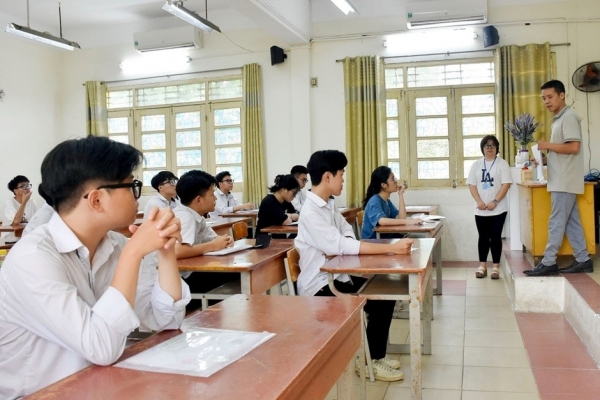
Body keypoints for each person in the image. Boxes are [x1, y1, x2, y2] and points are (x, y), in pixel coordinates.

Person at [0, 136, 190, 399]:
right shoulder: (32, 258)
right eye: (132, 185)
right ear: (97, 200)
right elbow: (100, 347)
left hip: (98, 386)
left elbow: (166, 319)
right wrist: (134, 252)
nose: (139, 195)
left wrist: (166, 248)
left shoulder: (114, 245)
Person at [295, 150, 413, 382]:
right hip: (319, 286)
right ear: (328, 177)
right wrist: (392, 248)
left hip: (338, 275)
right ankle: (368, 361)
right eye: (341, 174)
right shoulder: (310, 212)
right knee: (378, 301)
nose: (343, 179)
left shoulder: (328, 204)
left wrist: (341, 245)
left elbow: (346, 233)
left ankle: (374, 357)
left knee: (385, 295)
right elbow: (340, 243)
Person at [525, 80, 592, 276]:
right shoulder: (559, 119)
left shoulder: (568, 117)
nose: (546, 101)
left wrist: (547, 145)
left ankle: (549, 261)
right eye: (544, 98)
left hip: (564, 180)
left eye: (550, 97)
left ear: (562, 95)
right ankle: (583, 259)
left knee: (556, 222)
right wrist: (544, 158)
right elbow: (563, 149)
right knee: (571, 222)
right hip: (562, 179)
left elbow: (574, 147)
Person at [172, 169, 237, 310]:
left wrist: (224, 240)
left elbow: (215, 239)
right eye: (212, 194)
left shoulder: (198, 216)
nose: (215, 198)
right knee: (233, 276)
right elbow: (177, 251)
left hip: (189, 275)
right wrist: (213, 246)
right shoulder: (185, 216)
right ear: (198, 200)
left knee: (232, 273)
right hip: (179, 282)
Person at [466, 135, 512, 279]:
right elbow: (471, 184)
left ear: (497, 148)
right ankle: (482, 265)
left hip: (498, 209)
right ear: (483, 149)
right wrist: (479, 201)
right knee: (483, 237)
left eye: (492, 146)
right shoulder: (476, 165)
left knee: (496, 236)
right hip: (480, 209)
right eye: (487, 146)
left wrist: (495, 201)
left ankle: (496, 267)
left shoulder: (502, 164)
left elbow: (506, 184)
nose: (490, 148)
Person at [361, 166, 423, 240]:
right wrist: (410, 221)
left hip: (384, 239)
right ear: (383, 185)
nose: (396, 181)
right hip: (371, 242)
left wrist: (400, 195)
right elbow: (382, 221)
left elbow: (401, 218)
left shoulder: (386, 201)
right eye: (393, 179)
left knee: (413, 240)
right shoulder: (374, 201)